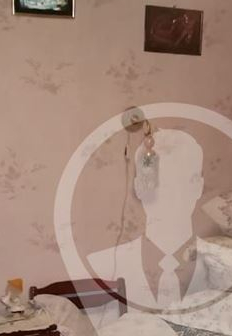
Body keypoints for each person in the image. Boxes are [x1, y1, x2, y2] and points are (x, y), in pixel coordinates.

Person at [87, 128, 210, 312]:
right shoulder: (103, 264)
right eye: (156, 182)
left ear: (198, 186)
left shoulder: (223, 264)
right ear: (138, 186)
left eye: (180, 181)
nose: (167, 195)